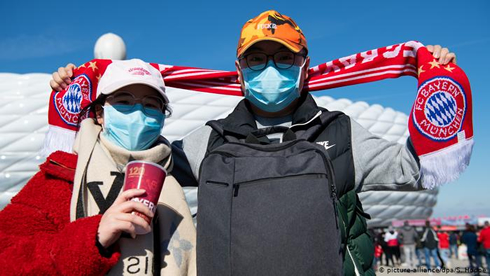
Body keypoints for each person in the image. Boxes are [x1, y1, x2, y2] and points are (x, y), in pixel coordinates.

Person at [49, 10, 457, 276]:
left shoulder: (340, 132)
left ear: (304, 66)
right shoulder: (209, 139)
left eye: (283, 58)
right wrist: (81, 99)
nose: (270, 69)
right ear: (240, 70)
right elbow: (133, 152)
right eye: (256, 59)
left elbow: (415, 166)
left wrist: (439, 84)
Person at [0, 59, 196, 275]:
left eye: (151, 104)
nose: (138, 112)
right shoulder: (64, 176)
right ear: (100, 114)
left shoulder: (173, 175)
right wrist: (93, 237)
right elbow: (7, 260)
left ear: (161, 116)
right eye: (124, 101)